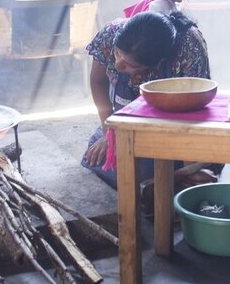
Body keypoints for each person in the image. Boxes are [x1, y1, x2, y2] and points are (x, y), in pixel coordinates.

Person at [82, 11, 220, 195]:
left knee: (143, 171)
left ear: (158, 62)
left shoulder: (189, 46)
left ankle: (176, 177)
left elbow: (196, 107)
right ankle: (168, 181)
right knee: (96, 158)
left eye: (132, 66)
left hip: (176, 127)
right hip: (126, 124)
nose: (118, 65)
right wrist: (110, 132)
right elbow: (98, 82)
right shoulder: (111, 33)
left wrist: (190, 165)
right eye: (117, 54)